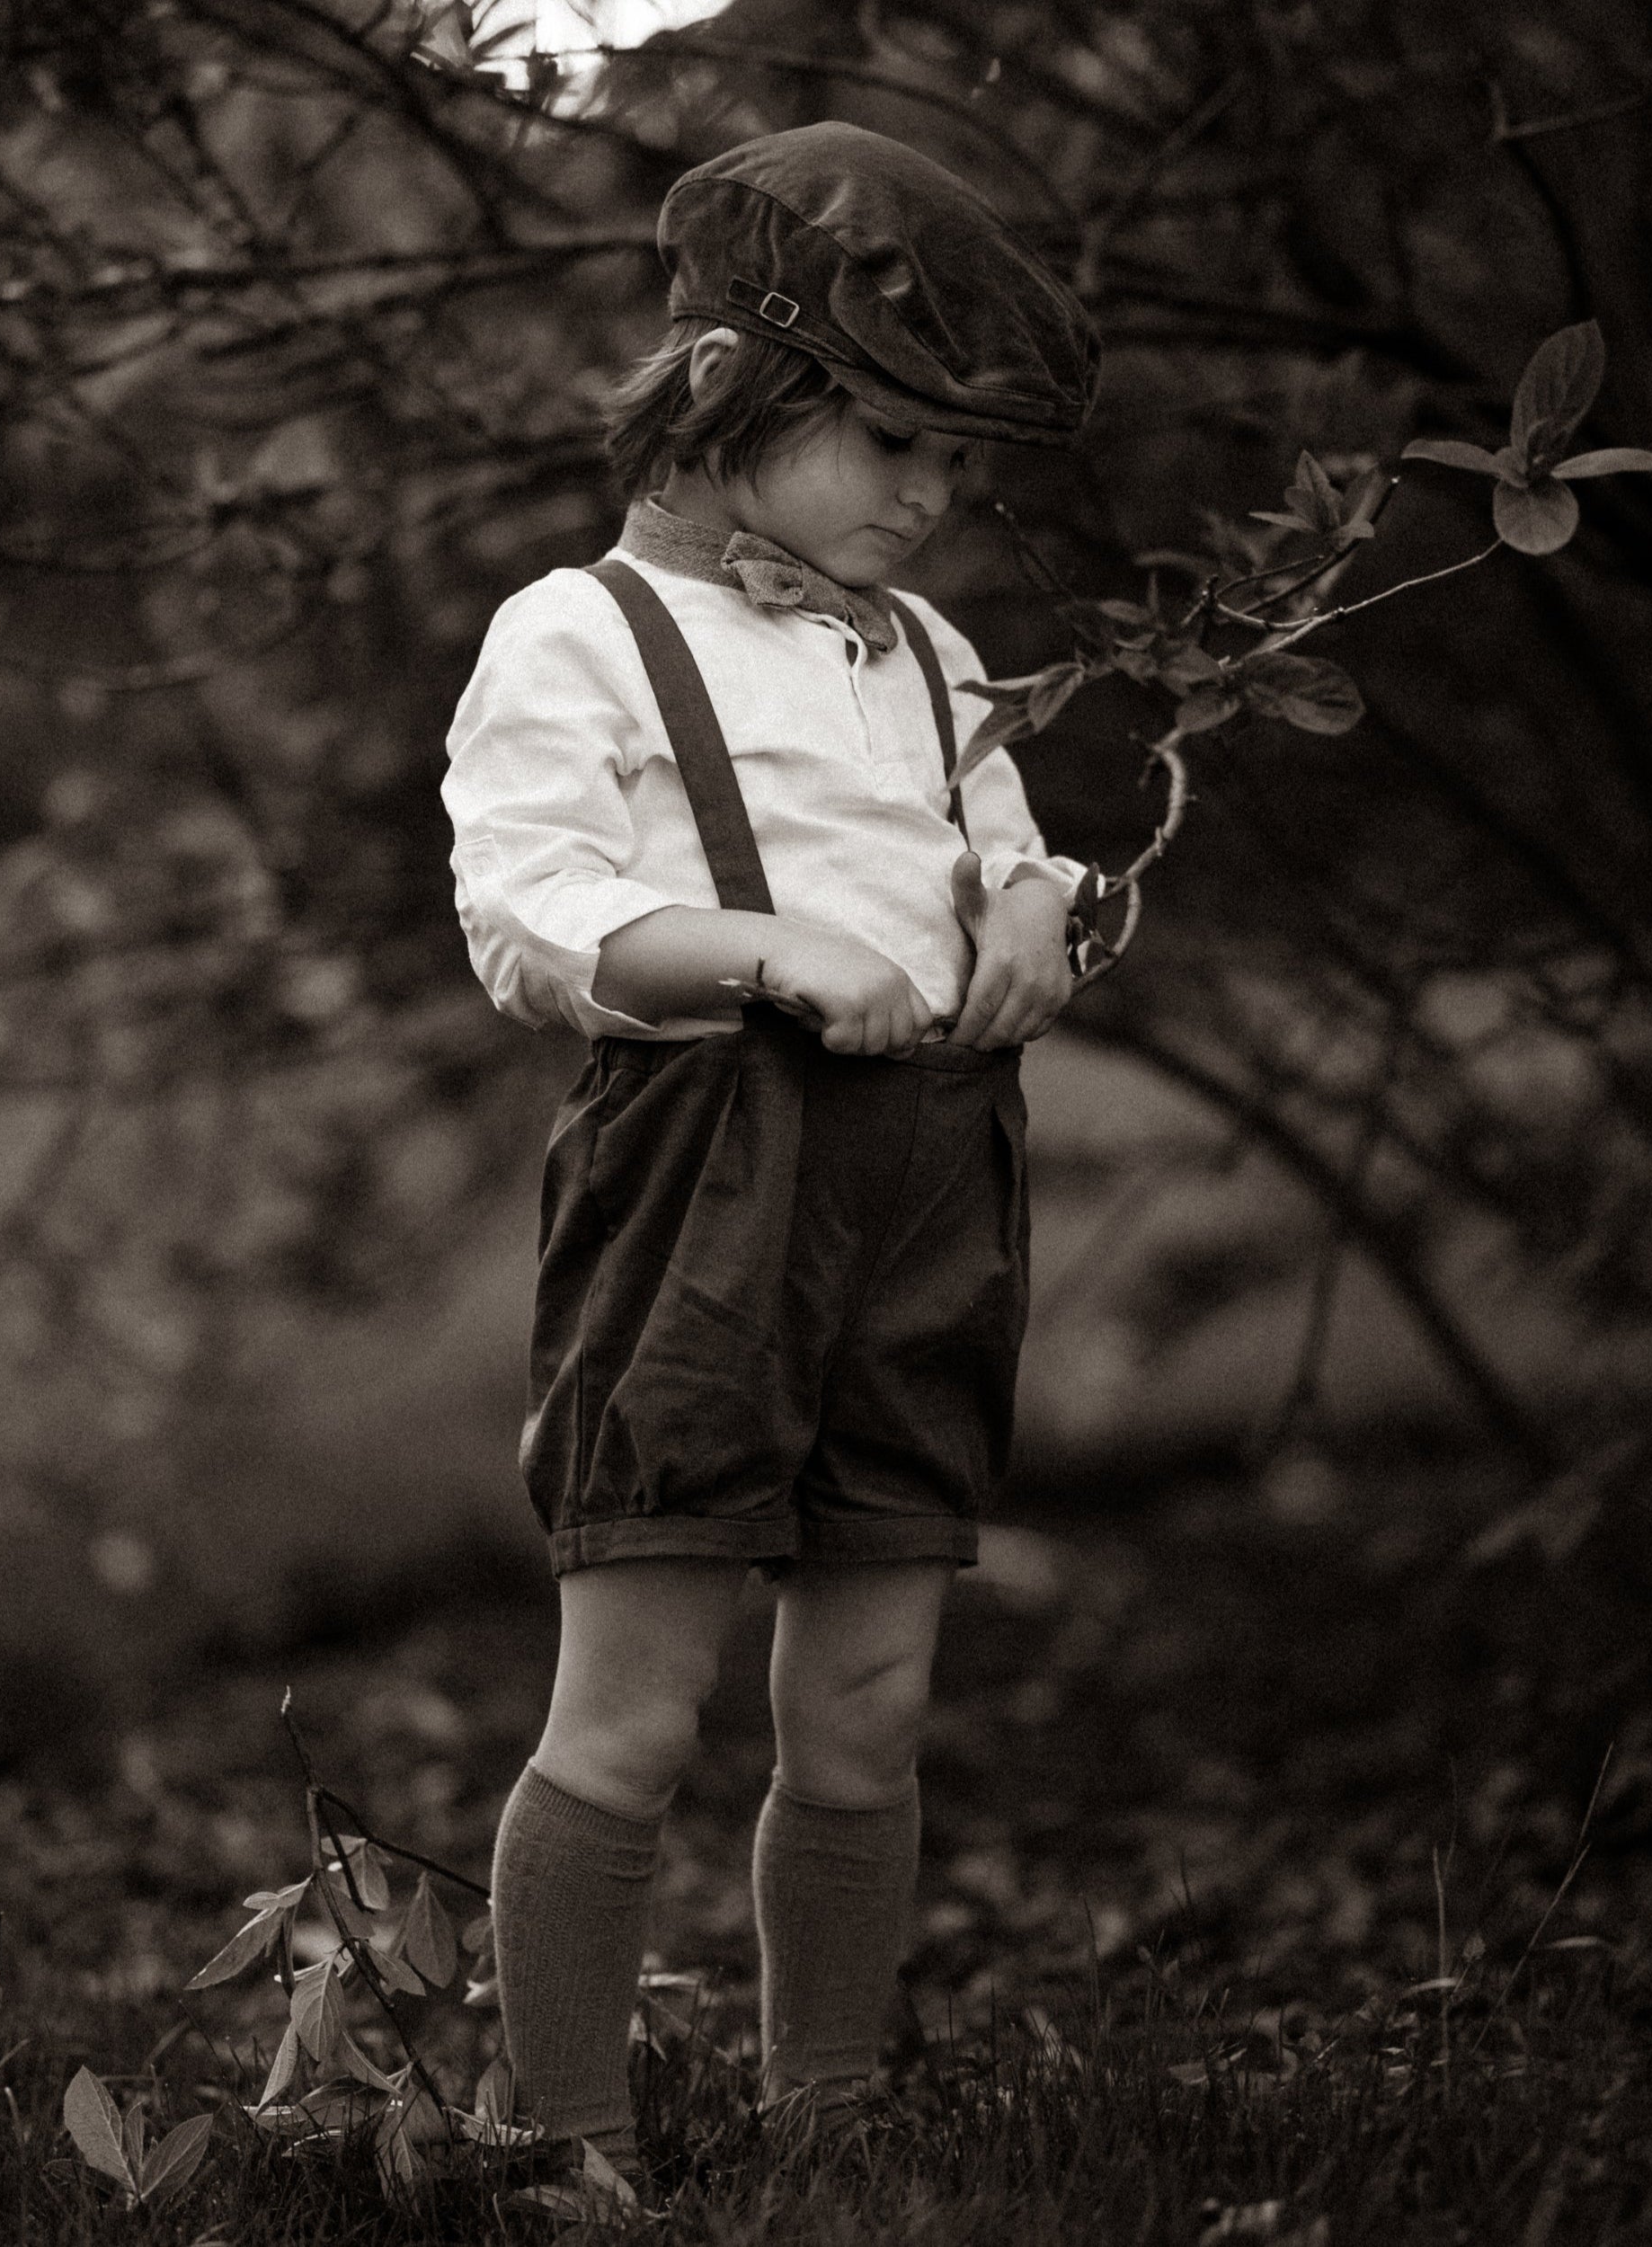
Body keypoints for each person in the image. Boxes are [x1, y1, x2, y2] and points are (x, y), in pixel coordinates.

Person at [441, 120, 1099, 2190]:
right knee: (632, 1700)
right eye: (894, 442)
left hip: (921, 1191)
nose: (932, 497)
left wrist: (1035, 919)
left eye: (956, 466)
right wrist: (760, 943)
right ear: (735, 389)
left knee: (873, 1695)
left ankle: (827, 2102)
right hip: (705, 1189)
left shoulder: (929, 656)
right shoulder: (581, 634)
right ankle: (562, 2133)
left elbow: (1009, 863)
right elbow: (526, 910)